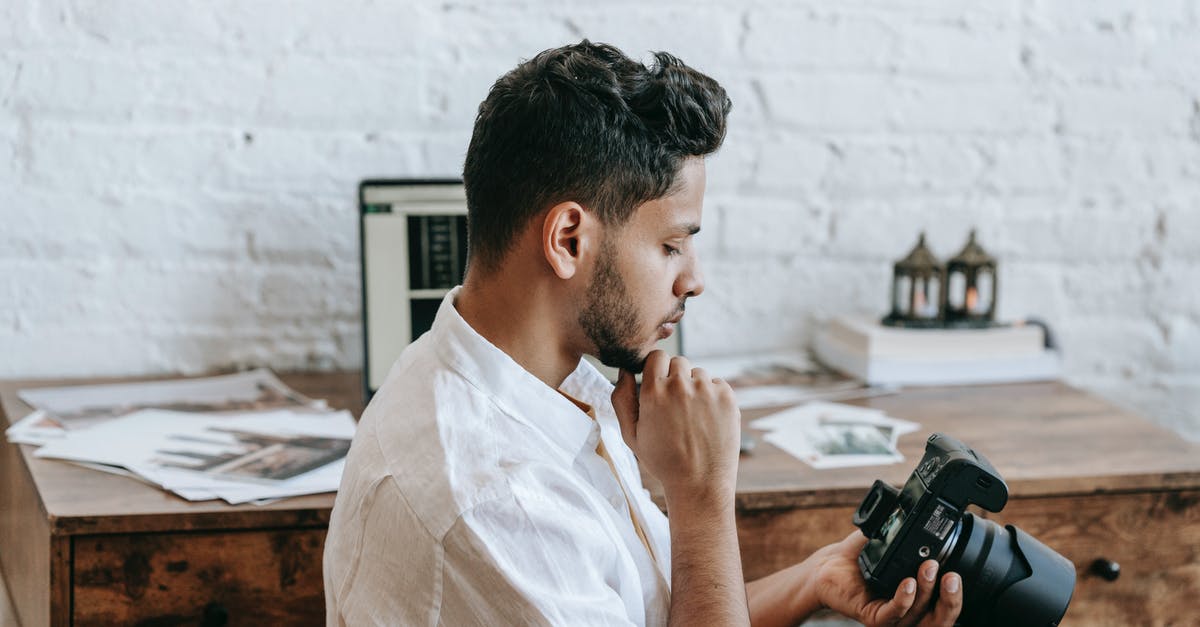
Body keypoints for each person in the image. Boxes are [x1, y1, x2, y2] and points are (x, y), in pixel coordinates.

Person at [323, 40, 962, 626]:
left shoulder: (534, 377)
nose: (694, 281)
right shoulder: (500, 502)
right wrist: (702, 498)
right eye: (671, 245)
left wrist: (812, 578)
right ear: (569, 240)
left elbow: (661, 612)